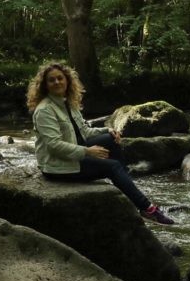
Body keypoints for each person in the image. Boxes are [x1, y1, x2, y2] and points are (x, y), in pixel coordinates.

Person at [27, 61, 174, 225]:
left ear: (67, 80)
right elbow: (54, 146)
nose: (57, 82)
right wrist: (87, 151)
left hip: (74, 154)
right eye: (51, 80)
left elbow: (85, 131)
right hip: (58, 165)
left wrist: (108, 131)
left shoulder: (67, 102)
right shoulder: (45, 110)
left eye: (60, 78)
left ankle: (126, 187)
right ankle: (148, 209)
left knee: (111, 139)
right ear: (45, 86)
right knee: (113, 166)